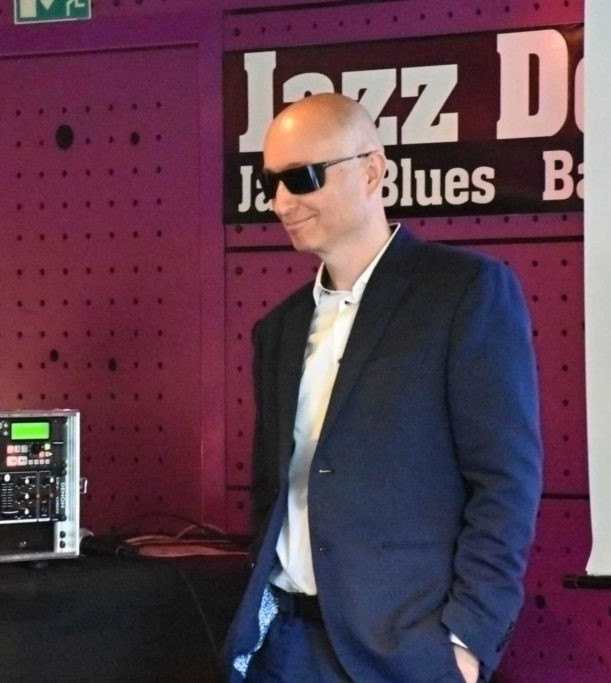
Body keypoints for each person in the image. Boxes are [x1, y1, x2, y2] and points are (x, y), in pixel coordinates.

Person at [222, 93, 543, 682]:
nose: (281, 202)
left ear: (371, 171)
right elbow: (274, 488)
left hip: (408, 653)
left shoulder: (464, 292)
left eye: (303, 178)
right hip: (285, 647)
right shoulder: (279, 328)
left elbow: (505, 482)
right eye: (270, 183)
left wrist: (467, 641)